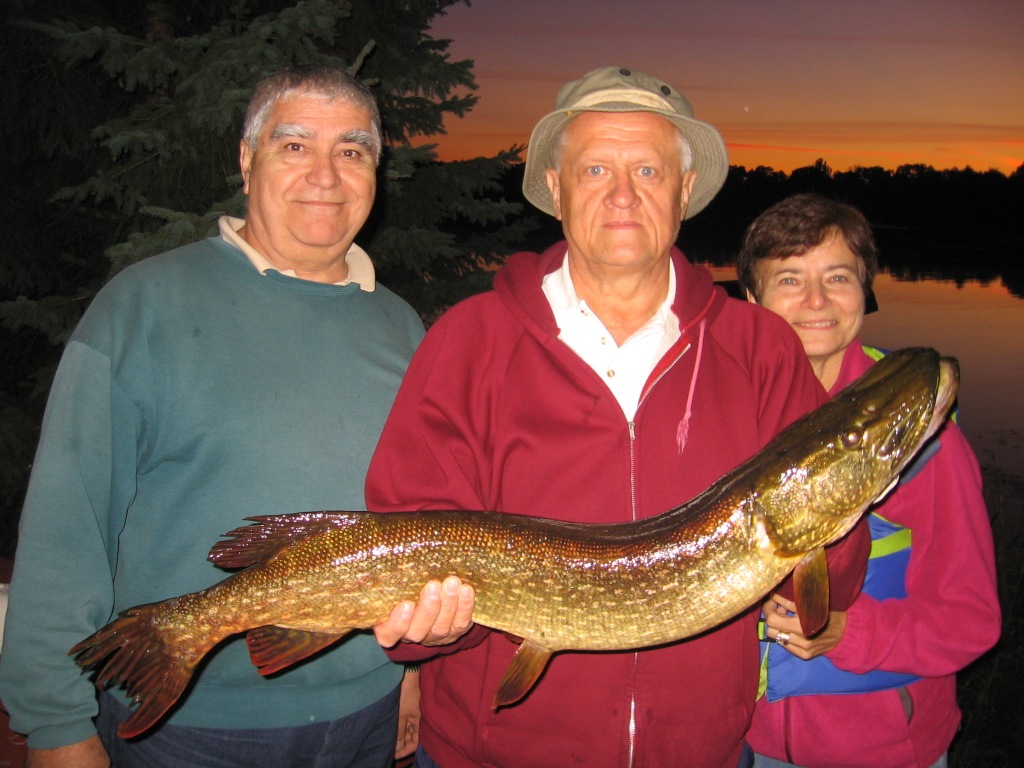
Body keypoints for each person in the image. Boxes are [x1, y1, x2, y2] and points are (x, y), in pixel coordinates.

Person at [364, 67, 870, 768]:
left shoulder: (761, 349)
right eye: (596, 167)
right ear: (557, 187)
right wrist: (426, 629)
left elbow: (825, 587)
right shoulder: (469, 340)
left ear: (685, 191)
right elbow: (405, 547)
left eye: (648, 170)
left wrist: (841, 516)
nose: (623, 194)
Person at [0, 66, 428, 768]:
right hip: (189, 728)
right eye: (295, 146)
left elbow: (419, 523)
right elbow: (64, 529)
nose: (326, 174)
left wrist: (411, 673)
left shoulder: (402, 326)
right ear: (246, 157)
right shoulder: (141, 307)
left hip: (366, 714)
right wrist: (55, 726)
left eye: (352, 151)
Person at [736, 193, 1001, 768]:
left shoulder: (921, 444)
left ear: (865, 293)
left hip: (880, 748)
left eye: (838, 276)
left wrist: (846, 634)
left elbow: (971, 621)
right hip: (752, 744)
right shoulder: (727, 419)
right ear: (752, 299)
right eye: (789, 278)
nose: (816, 300)